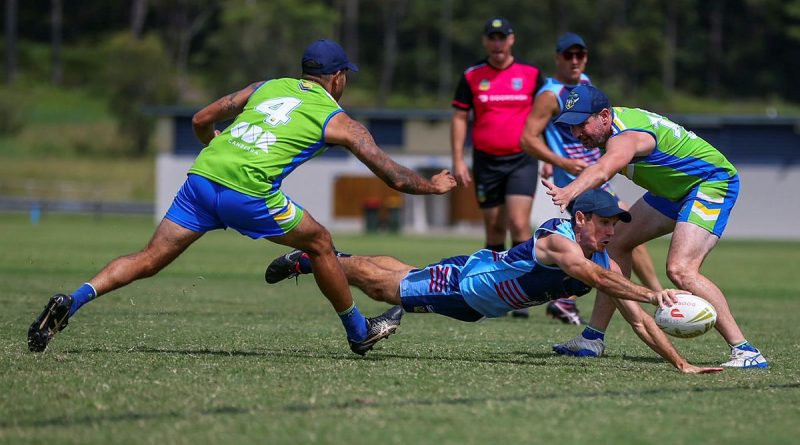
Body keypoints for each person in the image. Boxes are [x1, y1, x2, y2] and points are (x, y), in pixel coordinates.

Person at [27, 39, 457, 356]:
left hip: (202, 179)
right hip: (248, 193)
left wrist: (210, 142)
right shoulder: (338, 119)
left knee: (148, 258)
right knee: (321, 243)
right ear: (338, 78)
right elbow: (394, 176)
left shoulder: (265, 87)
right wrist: (433, 186)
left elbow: (201, 118)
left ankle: (74, 299)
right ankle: (359, 331)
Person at [265, 189, 722, 374]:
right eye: (604, 223)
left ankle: (328, 259)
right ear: (581, 218)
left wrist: (681, 363)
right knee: (384, 286)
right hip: (468, 285)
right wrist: (655, 290)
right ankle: (313, 261)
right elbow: (591, 276)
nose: (611, 231)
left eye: (616, 224)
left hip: (478, 301)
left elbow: (639, 321)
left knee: (398, 275)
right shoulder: (559, 239)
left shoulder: (602, 257)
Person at [542, 84, 767, 368]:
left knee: (680, 269)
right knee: (615, 245)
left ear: (604, 116)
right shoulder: (614, 127)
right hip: (673, 189)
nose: (576, 134)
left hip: (709, 182)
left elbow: (604, 169)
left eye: (581, 124)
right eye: (571, 127)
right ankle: (592, 338)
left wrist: (569, 191)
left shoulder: (626, 137)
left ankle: (746, 352)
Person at [520, 32, 663, 325]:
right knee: (619, 230)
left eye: (580, 55)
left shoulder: (586, 87)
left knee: (606, 239)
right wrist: (558, 162)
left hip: (597, 177)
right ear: (557, 58)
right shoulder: (550, 94)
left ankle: (566, 299)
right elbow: (528, 138)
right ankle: (657, 296)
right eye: (568, 55)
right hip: (575, 180)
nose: (575, 61)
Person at [451, 17, 545, 318]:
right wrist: (457, 159)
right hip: (486, 161)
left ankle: (522, 291)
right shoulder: (472, 76)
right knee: (494, 228)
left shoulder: (531, 75)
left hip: (522, 159)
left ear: (512, 40)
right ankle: (493, 290)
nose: (497, 43)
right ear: (485, 42)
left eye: (502, 37)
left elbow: (546, 117)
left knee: (519, 223)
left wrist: (549, 158)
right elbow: (459, 118)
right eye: (492, 38)